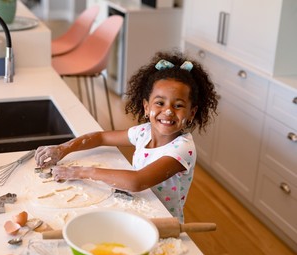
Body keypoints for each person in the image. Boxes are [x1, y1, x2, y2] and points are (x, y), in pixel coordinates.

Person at [35, 51, 218, 223]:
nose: (168, 111)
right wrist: (63, 149)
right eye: (160, 103)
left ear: (192, 113)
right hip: (139, 210)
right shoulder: (143, 132)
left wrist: (80, 172)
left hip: (162, 223)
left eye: (178, 105)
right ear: (146, 107)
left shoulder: (182, 149)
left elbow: (136, 181)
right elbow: (100, 137)